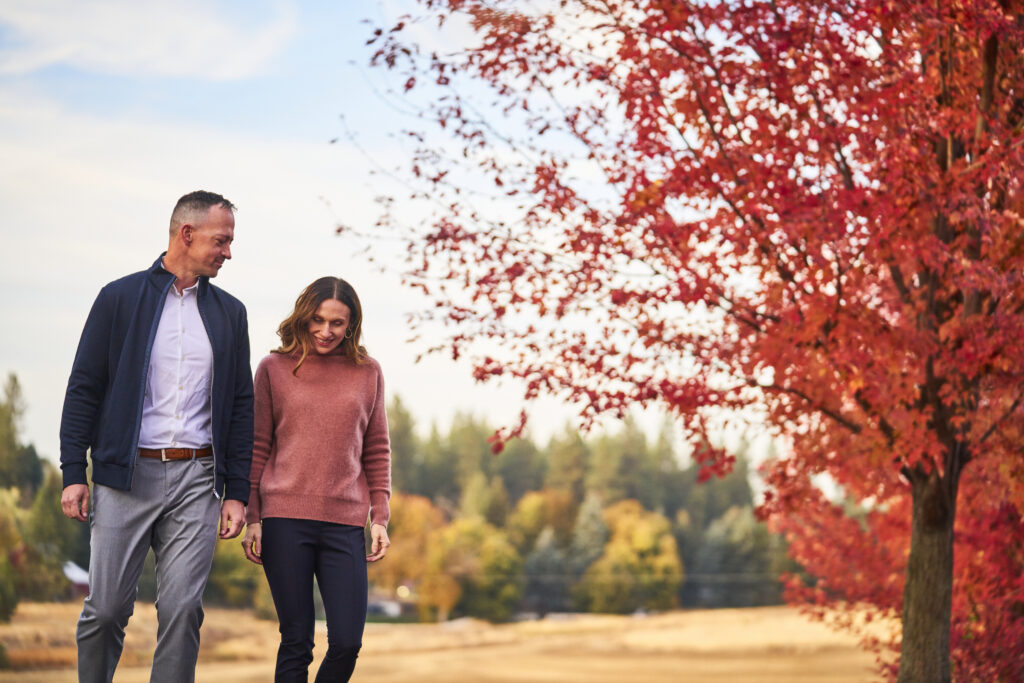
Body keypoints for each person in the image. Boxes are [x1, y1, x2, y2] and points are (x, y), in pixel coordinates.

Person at [59, 190, 254, 683]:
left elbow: (240, 405)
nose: (228, 252)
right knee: (105, 610)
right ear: (187, 234)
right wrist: (73, 471)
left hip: (198, 478)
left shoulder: (231, 314)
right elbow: (84, 387)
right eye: (221, 240)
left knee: (184, 610)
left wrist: (237, 491)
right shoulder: (119, 298)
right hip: (125, 477)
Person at [241, 276, 392, 682]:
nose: (326, 331)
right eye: (318, 320)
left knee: (347, 642)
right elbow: (257, 445)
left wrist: (379, 516)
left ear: (351, 325)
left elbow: (376, 448)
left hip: (345, 523)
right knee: (297, 640)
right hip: (284, 520)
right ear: (304, 316)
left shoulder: (368, 372)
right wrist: (253, 516)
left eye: (337, 323)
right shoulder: (273, 368)